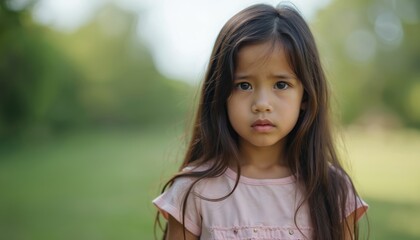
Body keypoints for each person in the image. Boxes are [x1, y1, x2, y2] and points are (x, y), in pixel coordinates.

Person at [153, 3, 368, 240]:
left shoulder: (333, 190)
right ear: (221, 94)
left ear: (305, 95)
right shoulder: (195, 190)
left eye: (281, 85)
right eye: (244, 85)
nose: (262, 103)